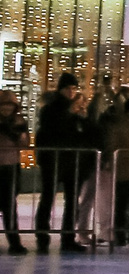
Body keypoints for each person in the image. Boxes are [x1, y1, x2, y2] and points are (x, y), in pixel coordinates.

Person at [33, 72, 95, 251]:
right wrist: (70, 114)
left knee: (72, 201)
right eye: (68, 88)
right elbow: (51, 130)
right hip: (53, 160)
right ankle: (42, 236)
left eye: (74, 88)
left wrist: (84, 118)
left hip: (73, 162)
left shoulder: (78, 109)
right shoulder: (50, 109)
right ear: (60, 89)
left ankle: (68, 237)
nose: (71, 92)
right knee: (48, 197)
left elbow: (89, 133)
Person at [0, 91, 25, 253]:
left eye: (9, 105)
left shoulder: (19, 121)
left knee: (10, 205)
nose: (6, 108)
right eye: (4, 105)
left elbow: (24, 143)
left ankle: (14, 241)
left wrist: (15, 133)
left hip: (11, 165)